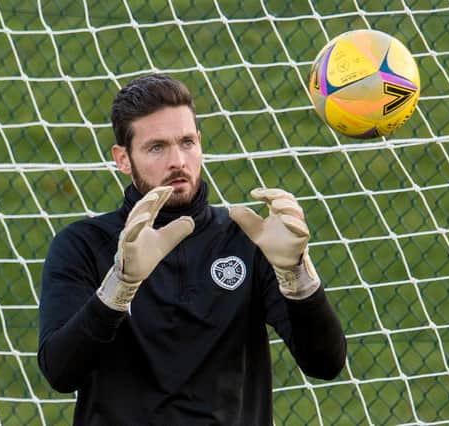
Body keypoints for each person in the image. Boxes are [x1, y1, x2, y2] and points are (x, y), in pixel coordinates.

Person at [37, 74, 347, 426]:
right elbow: (59, 372)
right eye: (157, 147)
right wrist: (119, 287)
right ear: (123, 159)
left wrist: (296, 276)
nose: (177, 161)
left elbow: (325, 363)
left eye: (186, 142)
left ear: (200, 143)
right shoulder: (83, 244)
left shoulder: (247, 239)